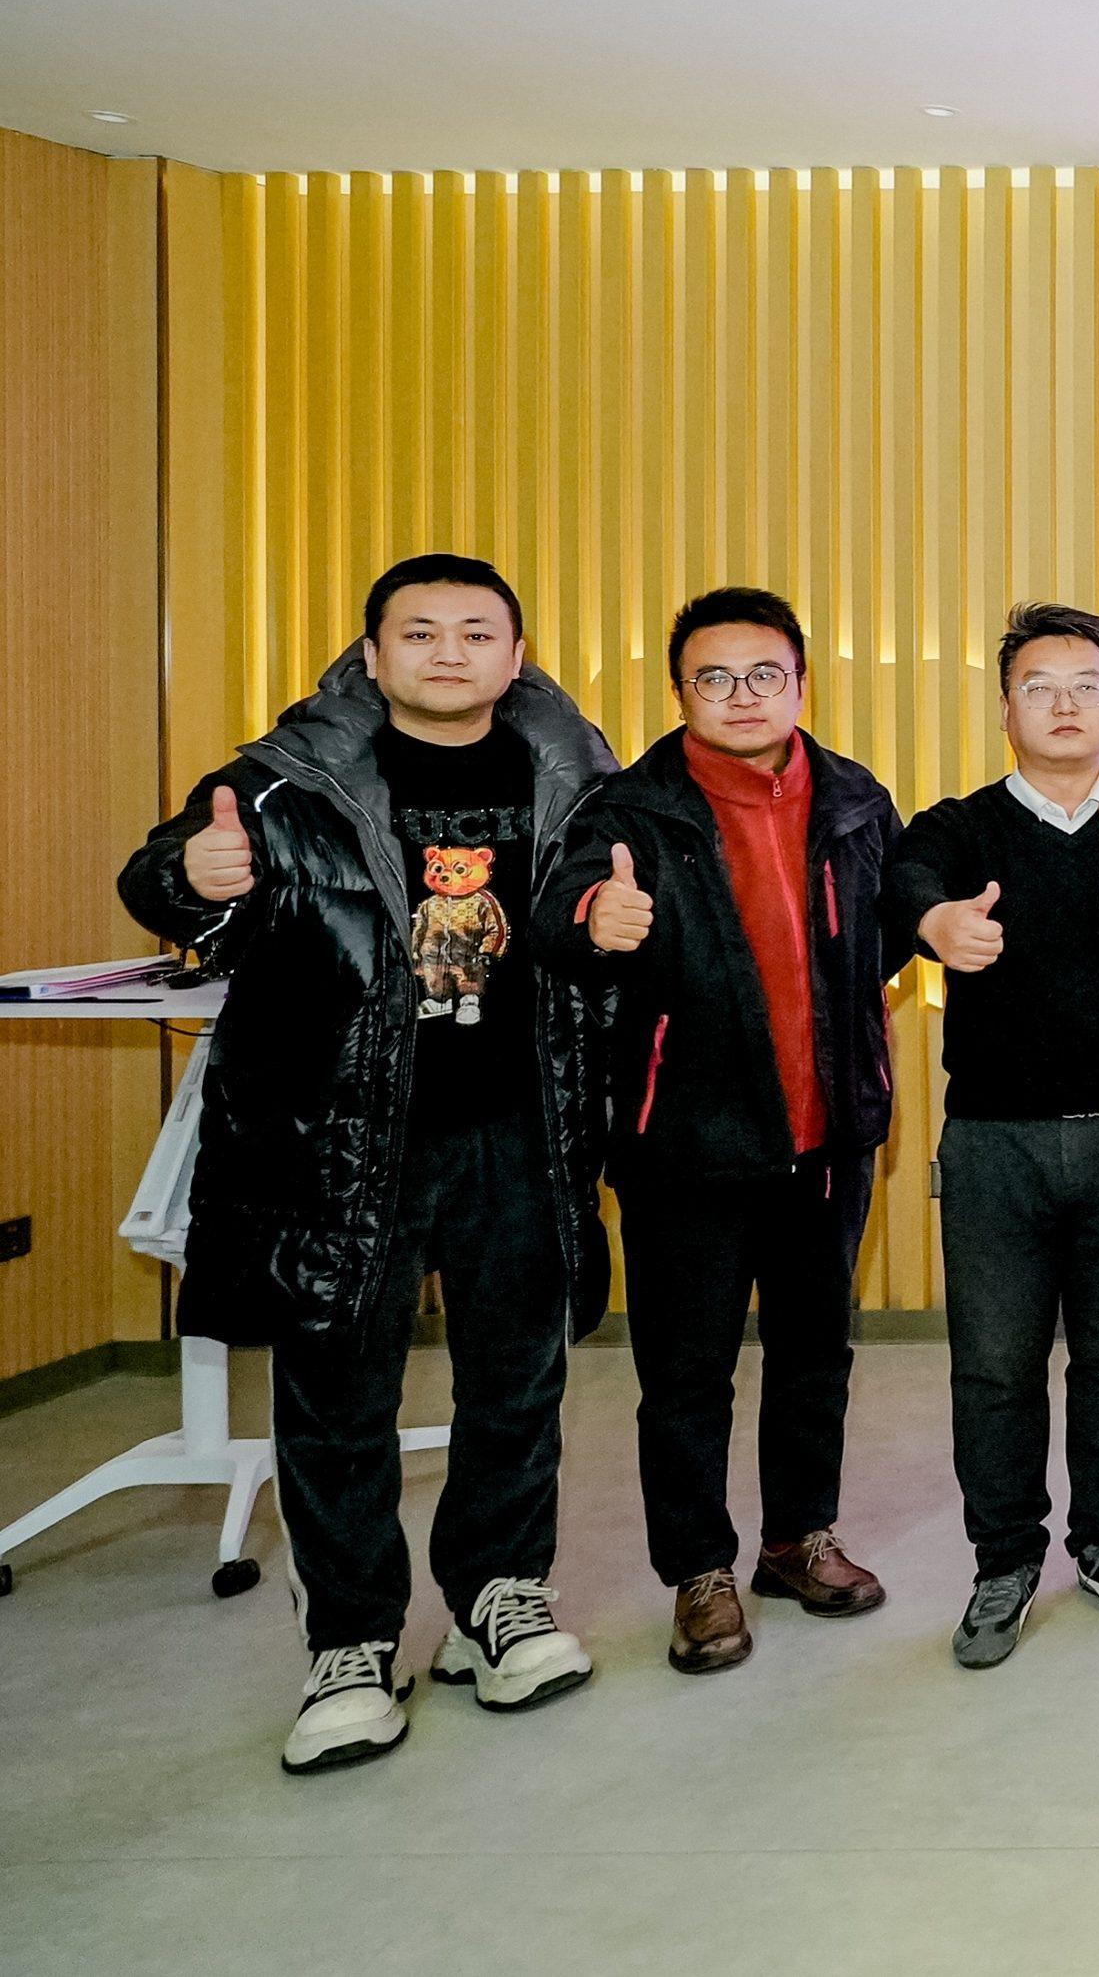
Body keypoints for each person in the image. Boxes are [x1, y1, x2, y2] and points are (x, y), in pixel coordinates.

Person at [117, 555, 616, 1775]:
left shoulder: (578, 775)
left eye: (476, 632)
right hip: (340, 1140)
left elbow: (620, 925)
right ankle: (348, 1644)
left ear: (516, 655)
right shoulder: (282, 779)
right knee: (337, 1398)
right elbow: (161, 877)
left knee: (518, 1383)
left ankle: (499, 1600)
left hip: (520, 1129)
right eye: (421, 631)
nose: (449, 652)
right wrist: (192, 877)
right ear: (373, 652)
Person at [542, 586, 904, 1677]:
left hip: (827, 1136)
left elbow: (882, 939)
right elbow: (560, 918)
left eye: (764, 675)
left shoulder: (855, 800)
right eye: (715, 677)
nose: (742, 696)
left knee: (814, 1353)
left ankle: (799, 1539)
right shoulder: (630, 809)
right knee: (686, 1373)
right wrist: (594, 919)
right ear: (680, 692)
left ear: (801, 683)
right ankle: (699, 1571)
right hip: (683, 1141)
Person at [881, 603, 1099, 1670]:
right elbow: (903, 884)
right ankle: (1004, 1561)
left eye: (1084, 687)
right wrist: (935, 925)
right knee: (994, 1366)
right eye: (1038, 688)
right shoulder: (960, 826)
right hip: (994, 1143)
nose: (1064, 706)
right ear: (1005, 708)